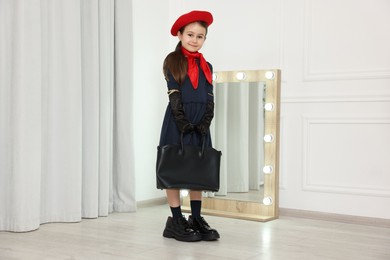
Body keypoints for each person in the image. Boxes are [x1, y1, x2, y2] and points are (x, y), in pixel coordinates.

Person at [158, 10, 220, 242]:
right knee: (173, 166)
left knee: (198, 169)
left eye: (200, 36)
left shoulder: (207, 65)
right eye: (190, 35)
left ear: (204, 38)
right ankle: (176, 219)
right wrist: (183, 121)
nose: (195, 40)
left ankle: (196, 217)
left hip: (200, 121)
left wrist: (205, 121)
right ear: (180, 35)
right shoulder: (172, 61)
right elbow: (174, 94)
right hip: (178, 119)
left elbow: (210, 96)